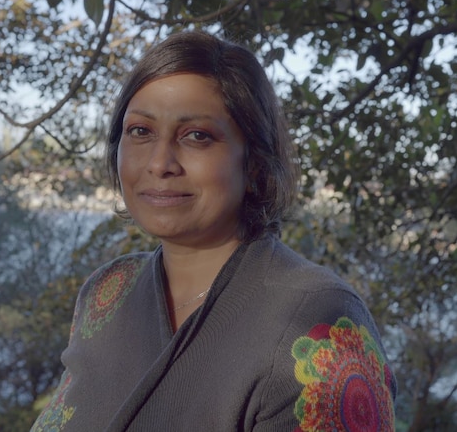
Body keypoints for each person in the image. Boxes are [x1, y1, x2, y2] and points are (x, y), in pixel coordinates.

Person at [31, 31, 396, 432]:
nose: (160, 163)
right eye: (140, 132)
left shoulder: (317, 317)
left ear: (255, 162)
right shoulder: (107, 292)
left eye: (197, 136)